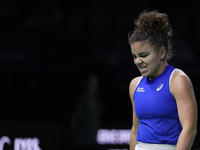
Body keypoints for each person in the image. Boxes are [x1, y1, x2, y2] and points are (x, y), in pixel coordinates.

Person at [128, 10, 197, 150]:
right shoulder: (135, 85)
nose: (137, 61)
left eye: (143, 55)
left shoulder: (178, 80)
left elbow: (189, 129)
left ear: (161, 52)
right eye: (135, 56)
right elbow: (135, 129)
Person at [70, 74, 103, 150]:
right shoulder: (82, 101)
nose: (93, 86)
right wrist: (74, 137)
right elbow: (74, 119)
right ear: (86, 84)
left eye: (95, 84)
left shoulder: (97, 100)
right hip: (82, 143)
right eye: (91, 83)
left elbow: (100, 112)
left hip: (93, 142)